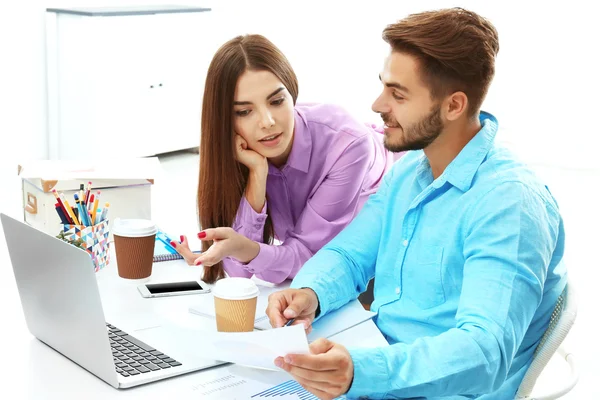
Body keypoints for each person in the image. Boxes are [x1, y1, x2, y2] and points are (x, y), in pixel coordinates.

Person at [265, 8, 567, 400]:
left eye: (398, 94)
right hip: (377, 375)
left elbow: (484, 352)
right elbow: (350, 254)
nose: (377, 104)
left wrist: (362, 372)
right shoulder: (410, 171)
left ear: (454, 106)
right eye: (383, 86)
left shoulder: (510, 204)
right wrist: (310, 294)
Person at [171, 34, 397, 285]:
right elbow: (239, 273)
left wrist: (247, 250)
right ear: (226, 119)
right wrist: (257, 174)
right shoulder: (243, 150)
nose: (267, 121)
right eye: (244, 111)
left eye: (277, 101)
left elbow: (308, 257)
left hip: (390, 217)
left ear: (292, 95)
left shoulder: (347, 146)